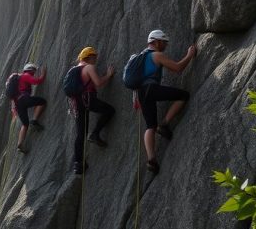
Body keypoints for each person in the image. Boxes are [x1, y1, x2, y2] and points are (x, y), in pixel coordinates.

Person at [131, 29, 196, 174]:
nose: (165, 45)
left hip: (141, 93)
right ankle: (165, 123)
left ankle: (151, 159)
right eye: (164, 42)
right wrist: (189, 55)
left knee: (150, 126)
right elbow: (178, 68)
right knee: (183, 95)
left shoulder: (140, 56)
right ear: (156, 42)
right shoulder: (156, 55)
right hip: (151, 89)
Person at [70, 46, 115, 175]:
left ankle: (77, 163)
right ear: (89, 57)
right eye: (94, 56)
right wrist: (109, 75)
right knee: (109, 110)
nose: (96, 59)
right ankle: (95, 133)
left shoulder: (75, 69)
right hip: (88, 99)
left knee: (80, 134)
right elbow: (98, 82)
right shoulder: (88, 67)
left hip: (76, 103)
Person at [13, 62, 46, 153]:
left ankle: (19, 144)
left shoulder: (18, 79)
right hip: (24, 99)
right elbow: (37, 81)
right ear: (30, 69)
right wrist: (43, 74)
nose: (34, 72)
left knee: (25, 124)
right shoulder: (26, 75)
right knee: (42, 102)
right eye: (34, 70)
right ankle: (34, 120)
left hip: (18, 104)